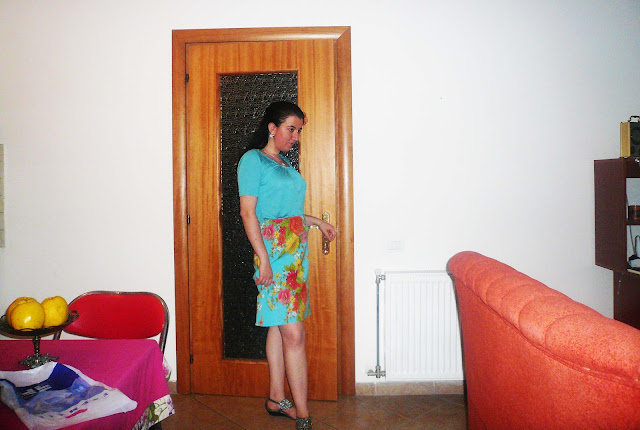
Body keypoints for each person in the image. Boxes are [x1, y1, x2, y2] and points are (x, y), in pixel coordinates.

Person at [237, 101, 336, 430]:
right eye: (291, 129)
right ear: (272, 127)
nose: (295, 136)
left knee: (279, 326)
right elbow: (249, 213)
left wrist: (316, 222)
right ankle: (303, 413)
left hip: (294, 256)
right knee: (294, 334)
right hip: (272, 253)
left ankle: (276, 398)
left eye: (299, 131)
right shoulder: (253, 160)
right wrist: (263, 260)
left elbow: (288, 213)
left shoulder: (284, 164)